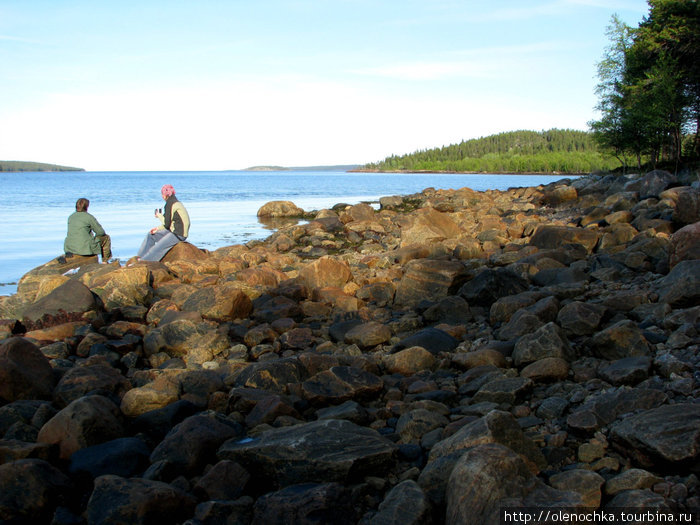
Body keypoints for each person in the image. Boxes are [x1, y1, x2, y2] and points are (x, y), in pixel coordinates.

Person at [135, 184, 190, 262]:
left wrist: (159, 216)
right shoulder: (175, 202)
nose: (162, 196)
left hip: (178, 234)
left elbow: (167, 224)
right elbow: (169, 223)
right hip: (174, 231)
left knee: (156, 249)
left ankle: (142, 261)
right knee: (151, 235)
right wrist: (157, 229)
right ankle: (140, 257)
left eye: (162, 194)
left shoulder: (170, 204)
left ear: (165, 195)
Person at [63, 198, 112, 262]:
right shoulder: (89, 217)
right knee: (106, 238)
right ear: (86, 207)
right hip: (84, 248)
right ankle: (105, 261)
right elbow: (101, 232)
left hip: (69, 248)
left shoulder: (71, 217)